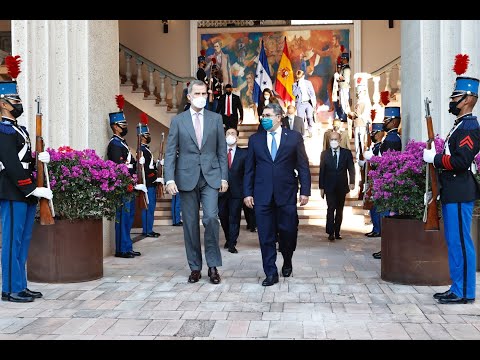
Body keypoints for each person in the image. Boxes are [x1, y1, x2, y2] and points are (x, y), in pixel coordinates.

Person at [423, 72, 480, 304]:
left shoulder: (468, 127)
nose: (451, 101)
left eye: (455, 97)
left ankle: (465, 292)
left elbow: (460, 161)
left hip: (459, 190)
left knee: (461, 242)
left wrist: (435, 159)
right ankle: (457, 286)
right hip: (452, 191)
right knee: (454, 242)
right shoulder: (459, 126)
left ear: (467, 99)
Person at [164, 79, 228, 285]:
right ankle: (194, 267)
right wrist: (169, 178)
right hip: (186, 177)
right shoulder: (178, 121)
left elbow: (221, 151)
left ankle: (212, 266)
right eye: (197, 94)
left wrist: (224, 177)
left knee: (210, 218)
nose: (202, 97)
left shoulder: (216, 119)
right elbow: (170, 151)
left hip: (210, 176)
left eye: (204, 94)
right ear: (189, 96)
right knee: (190, 224)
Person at [0, 56, 53, 302]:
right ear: (3, 104)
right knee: (12, 241)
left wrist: (39, 159)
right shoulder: (2, 130)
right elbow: (11, 165)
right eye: (14, 100)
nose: (19, 104)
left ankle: (20, 284)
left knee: (23, 241)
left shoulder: (20, 129)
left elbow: (24, 162)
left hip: (25, 193)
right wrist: (32, 189)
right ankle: (10, 289)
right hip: (12, 192)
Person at [244, 103, 311, 286]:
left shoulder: (294, 138)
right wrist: (247, 192)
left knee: (288, 232)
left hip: (286, 194)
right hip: (262, 194)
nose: (263, 118)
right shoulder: (255, 140)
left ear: (279, 117)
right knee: (265, 235)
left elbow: (303, 166)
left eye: (267, 115)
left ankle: (287, 258)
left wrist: (305, 190)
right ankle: (271, 272)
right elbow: (249, 169)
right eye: (262, 115)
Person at [107, 95, 146, 258]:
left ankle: (127, 246)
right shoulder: (115, 144)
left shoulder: (121, 143)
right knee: (122, 219)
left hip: (129, 186)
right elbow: (119, 168)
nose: (125, 127)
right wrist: (131, 181)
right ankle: (121, 249)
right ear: (115, 127)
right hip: (123, 187)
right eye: (122, 124)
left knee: (128, 219)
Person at [364, 106, 402, 259]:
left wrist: (373, 158)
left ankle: (387, 248)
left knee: (386, 217)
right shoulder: (390, 137)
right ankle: (385, 247)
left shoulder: (392, 139)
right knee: (383, 216)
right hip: (384, 182)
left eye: (387, 120)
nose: (385, 123)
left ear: (394, 122)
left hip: (387, 183)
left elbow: (387, 162)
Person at [319, 131, 355, 241]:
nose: (333, 141)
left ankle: (337, 231)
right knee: (331, 208)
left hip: (341, 186)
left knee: (339, 210)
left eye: (335, 139)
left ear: (339, 141)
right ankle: (330, 232)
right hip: (329, 186)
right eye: (331, 139)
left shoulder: (346, 153)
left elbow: (351, 168)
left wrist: (352, 182)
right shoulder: (325, 154)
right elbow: (322, 171)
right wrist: (321, 187)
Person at [218, 127, 247, 253]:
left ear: (237, 137)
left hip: (237, 191)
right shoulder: (218, 152)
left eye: (233, 133)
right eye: (228, 133)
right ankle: (228, 238)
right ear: (225, 137)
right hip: (220, 191)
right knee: (222, 215)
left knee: (234, 217)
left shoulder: (244, 153)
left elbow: (247, 173)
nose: (230, 135)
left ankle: (232, 243)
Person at [137, 115, 162, 238]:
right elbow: (145, 169)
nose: (149, 136)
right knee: (148, 207)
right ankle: (147, 230)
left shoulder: (146, 149)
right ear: (142, 137)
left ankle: (149, 229)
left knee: (150, 207)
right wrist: (154, 176)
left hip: (150, 182)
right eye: (147, 134)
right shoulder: (142, 150)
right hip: (148, 183)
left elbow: (150, 166)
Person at [359, 122, 385, 238]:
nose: (373, 136)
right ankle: (375, 227)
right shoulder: (374, 147)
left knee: (376, 206)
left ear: (381, 133)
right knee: (372, 206)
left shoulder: (381, 147)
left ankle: (378, 229)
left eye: (375, 133)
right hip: (372, 179)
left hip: (378, 179)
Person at [293, 70, 316, 137]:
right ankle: (302, 133)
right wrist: (298, 86)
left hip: (308, 103)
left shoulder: (308, 83)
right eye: (298, 78)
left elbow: (312, 93)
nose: (299, 79)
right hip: (300, 104)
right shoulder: (295, 85)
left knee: (309, 117)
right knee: (301, 119)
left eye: (300, 77)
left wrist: (313, 102)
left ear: (303, 76)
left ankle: (310, 130)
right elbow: (294, 93)